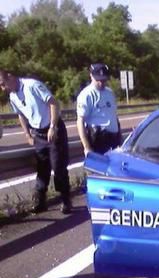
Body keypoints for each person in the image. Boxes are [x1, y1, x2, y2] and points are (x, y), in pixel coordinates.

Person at [0, 69, 71, 213]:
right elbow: (21, 115)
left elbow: (53, 103)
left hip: (53, 129)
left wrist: (53, 126)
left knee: (58, 167)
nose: (2, 88)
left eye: (2, 84)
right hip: (38, 133)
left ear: (10, 77)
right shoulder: (13, 96)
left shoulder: (32, 85)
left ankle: (65, 200)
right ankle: (41, 201)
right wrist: (27, 135)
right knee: (42, 168)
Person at [76, 63, 121, 156]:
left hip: (114, 139)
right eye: (98, 80)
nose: (101, 83)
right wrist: (86, 147)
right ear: (91, 76)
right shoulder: (86, 95)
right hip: (98, 140)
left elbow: (113, 115)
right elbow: (80, 121)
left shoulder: (109, 93)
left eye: (104, 80)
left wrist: (119, 135)